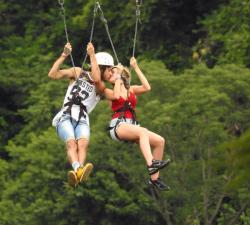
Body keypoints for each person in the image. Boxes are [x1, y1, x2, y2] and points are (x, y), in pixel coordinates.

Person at [95, 57, 171, 191]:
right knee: (143, 131)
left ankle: (154, 179)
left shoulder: (131, 89)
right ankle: (151, 163)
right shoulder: (109, 91)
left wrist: (135, 67)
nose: (111, 76)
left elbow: (147, 87)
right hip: (118, 125)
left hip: (131, 125)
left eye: (113, 73)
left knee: (160, 141)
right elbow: (118, 97)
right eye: (110, 75)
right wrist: (118, 76)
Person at [48, 42, 114, 187]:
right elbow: (52, 74)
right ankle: (78, 169)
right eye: (109, 70)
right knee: (72, 143)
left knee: (83, 144)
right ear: (101, 67)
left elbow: (97, 80)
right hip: (66, 115)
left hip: (82, 118)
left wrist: (121, 80)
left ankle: (79, 172)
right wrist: (64, 55)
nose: (111, 73)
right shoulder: (78, 72)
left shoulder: (100, 87)